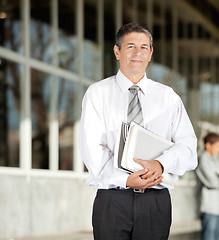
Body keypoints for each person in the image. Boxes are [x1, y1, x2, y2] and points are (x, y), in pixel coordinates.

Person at [79, 22, 198, 240]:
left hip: (156, 201)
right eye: (131, 46)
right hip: (113, 200)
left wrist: (160, 164)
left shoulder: (168, 97)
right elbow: (92, 149)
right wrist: (125, 180)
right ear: (117, 51)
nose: (138, 53)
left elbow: (188, 147)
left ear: (151, 53)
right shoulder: (98, 94)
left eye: (144, 47)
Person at [195, 133, 219, 240]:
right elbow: (213, 182)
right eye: (218, 147)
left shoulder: (214, 159)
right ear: (208, 145)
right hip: (208, 206)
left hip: (216, 206)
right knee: (209, 237)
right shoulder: (203, 159)